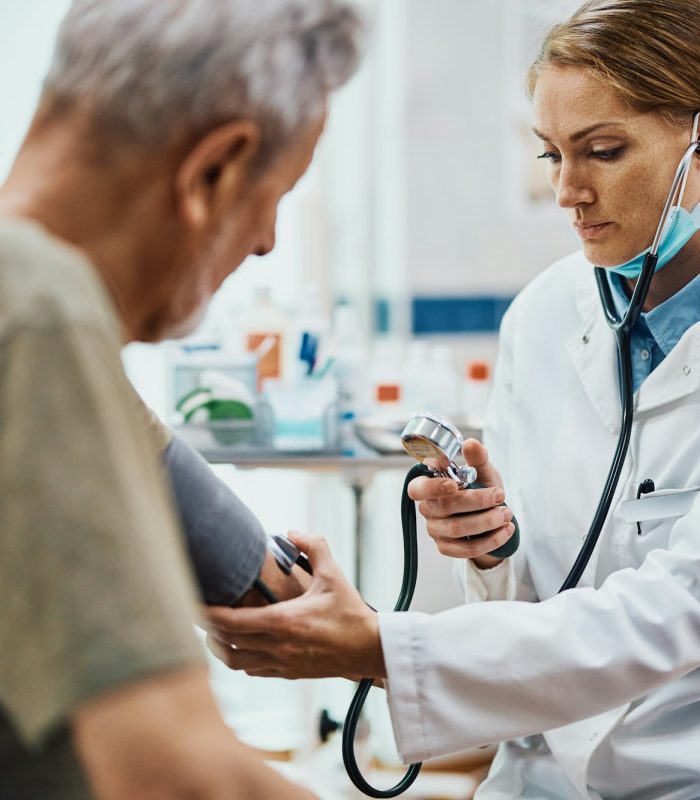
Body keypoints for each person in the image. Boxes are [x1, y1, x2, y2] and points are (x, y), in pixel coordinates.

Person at [205, 1, 700, 797]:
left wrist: (375, 646)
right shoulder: (543, 317)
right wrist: (494, 546)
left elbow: (673, 610)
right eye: (550, 156)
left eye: (603, 151)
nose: (568, 191)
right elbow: (535, 590)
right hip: (536, 775)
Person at [0, 1, 363, 798]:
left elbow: (139, 450)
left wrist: (269, 580)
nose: (267, 239)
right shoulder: (37, 311)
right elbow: (174, 773)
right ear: (214, 173)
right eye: (278, 192)